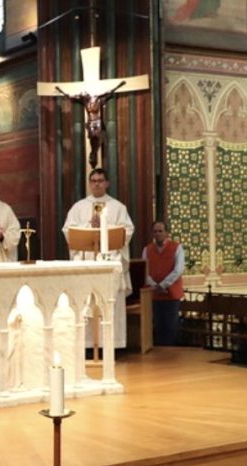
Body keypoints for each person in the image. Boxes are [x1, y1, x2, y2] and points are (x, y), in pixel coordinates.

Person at [62, 168, 134, 348]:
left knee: (109, 302)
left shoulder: (118, 207)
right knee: (85, 301)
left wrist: (104, 227)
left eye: (100, 181)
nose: (97, 184)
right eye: (93, 181)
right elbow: (68, 231)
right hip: (86, 261)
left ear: (107, 183)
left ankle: (111, 344)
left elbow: (127, 231)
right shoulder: (79, 207)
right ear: (89, 183)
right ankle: (87, 345)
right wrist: (90, 226)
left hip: (109, 261)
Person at [56, 81, 125, 168]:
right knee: (93, 141)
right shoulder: (84, 102)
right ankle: (93, 154)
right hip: (91, 123)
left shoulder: (97, 98)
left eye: (83, 94)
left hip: (98, 122)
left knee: (99, 140)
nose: (82, 95)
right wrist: (61, 91)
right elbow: (70, 96)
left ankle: (94, 154)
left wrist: (119, 85)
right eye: (82, 95)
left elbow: (108, 92)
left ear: (87, 93)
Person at [142, 221, 185, 346]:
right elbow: (144, 270)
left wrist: (163, 285)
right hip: (155, 296)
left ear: (166, 233)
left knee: (171, 328)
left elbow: (178, 270)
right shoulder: (147, 249)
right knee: (158, 328)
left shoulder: (177, 248)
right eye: (155, 231)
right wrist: (155, 286)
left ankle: (170, 354)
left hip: (171, 295)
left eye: (161, 231)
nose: (158, 234)